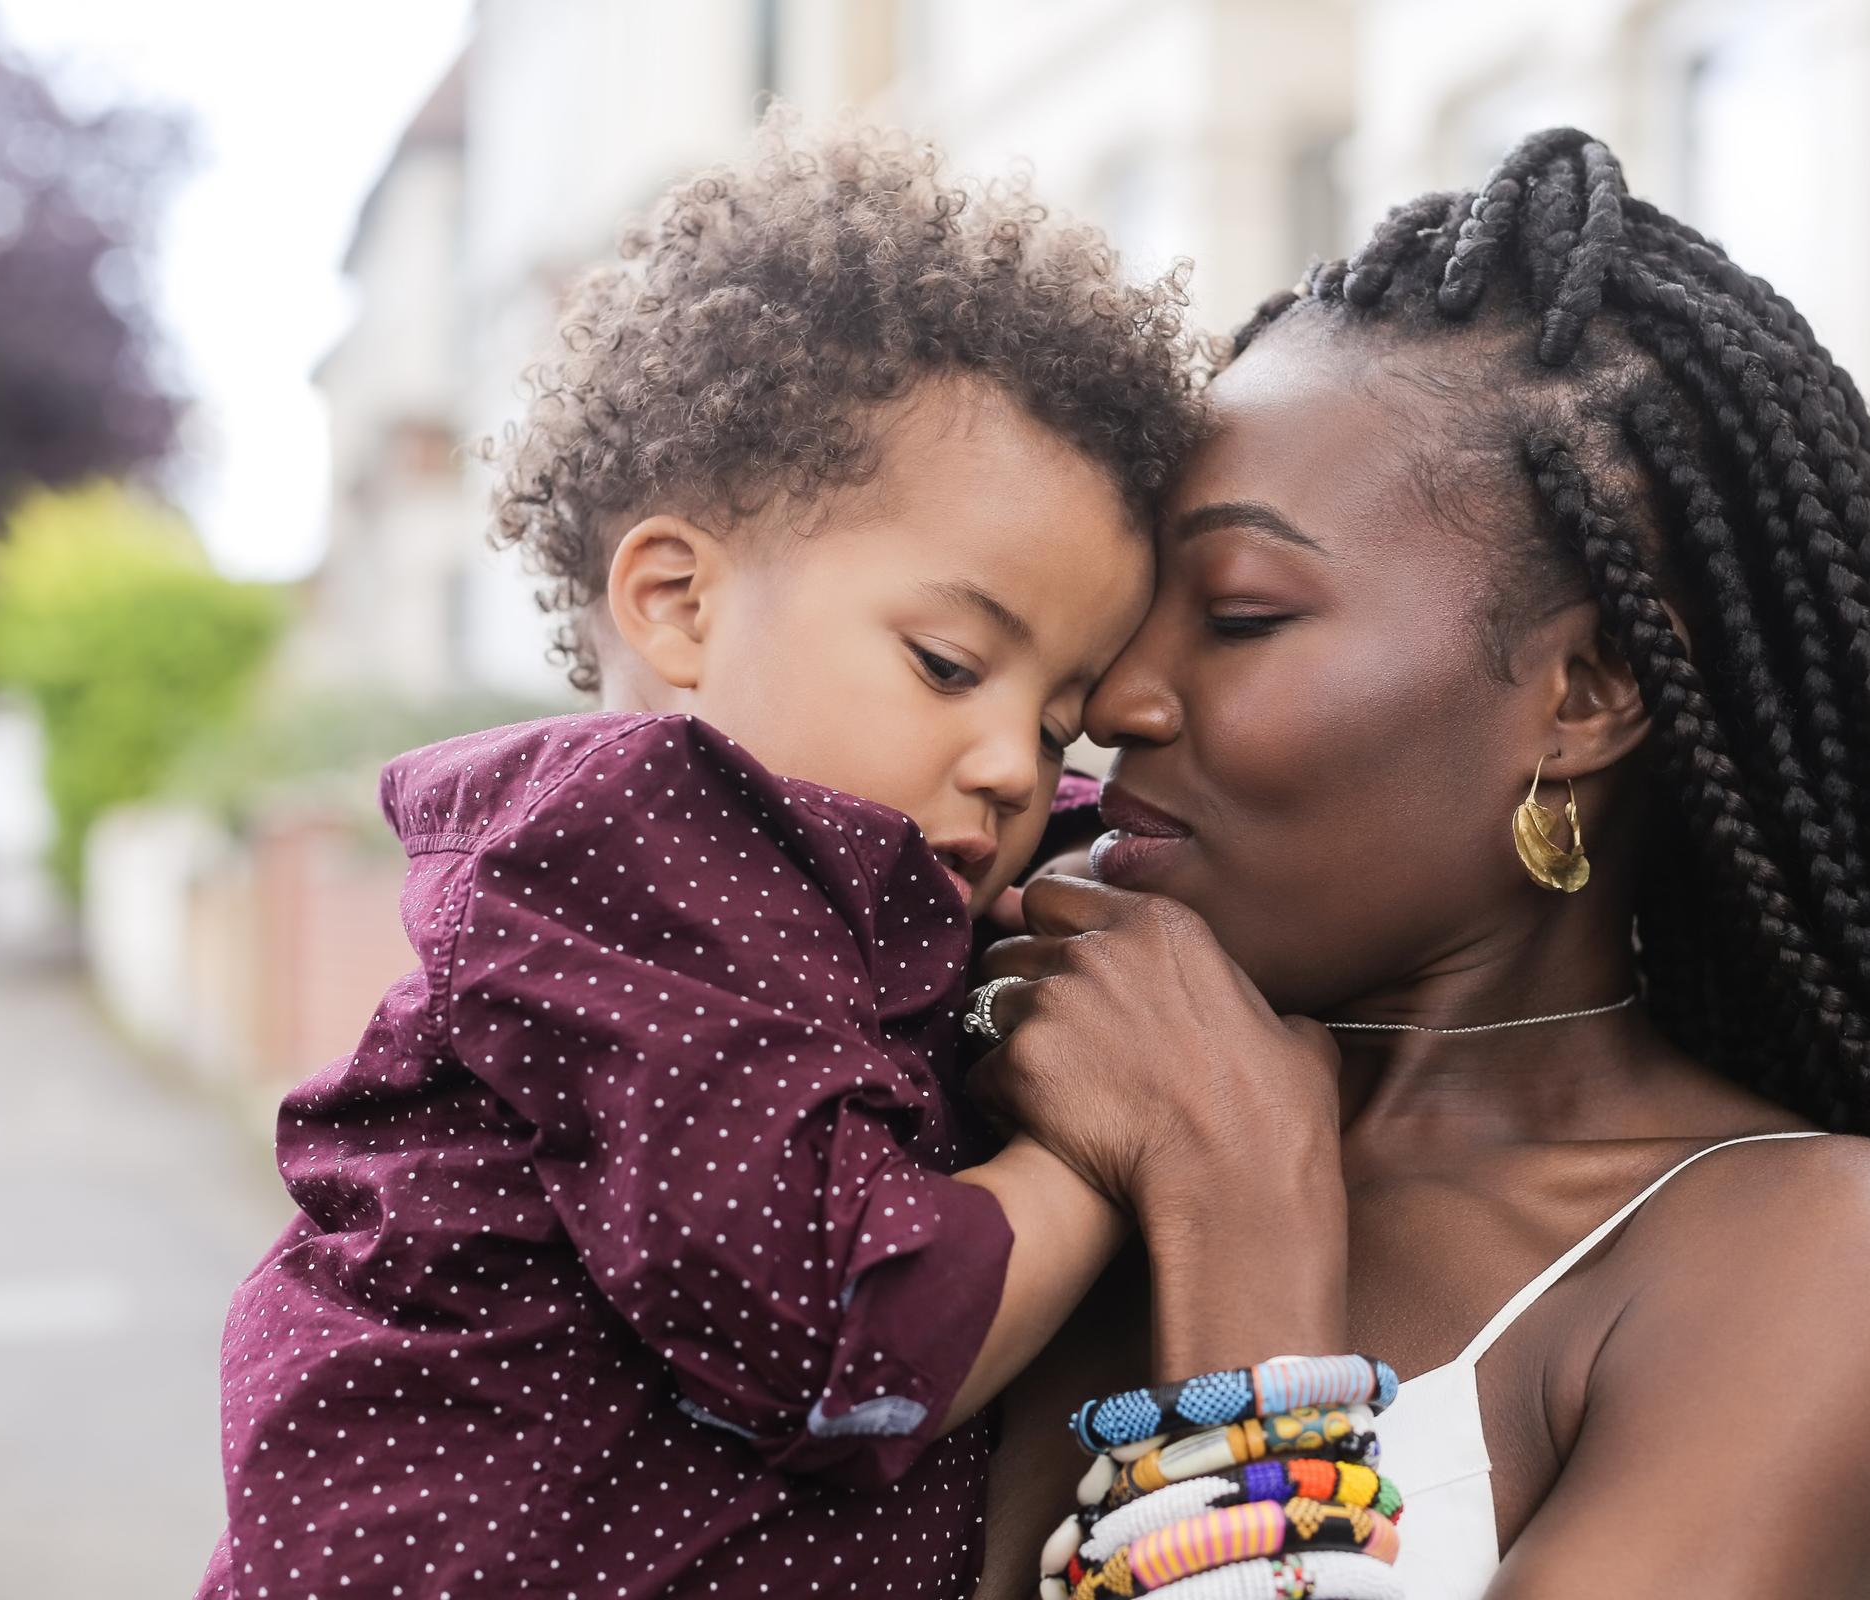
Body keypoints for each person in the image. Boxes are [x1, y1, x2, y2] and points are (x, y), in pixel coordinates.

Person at [968, 129, 1870, 1599]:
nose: (1114, 693)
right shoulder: (972, 1090)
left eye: (1242, 613)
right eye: (1134, 602)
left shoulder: (1800, 1257)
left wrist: (1234, 1200)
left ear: (1584, 694)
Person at [197, 116, 1320, 1600]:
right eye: (945, 663)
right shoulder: (637, 853)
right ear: (675, 602)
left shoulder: (823, 893)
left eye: (1058, 721)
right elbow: (845, 1336)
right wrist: (1116, 1155)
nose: (1015, 761)